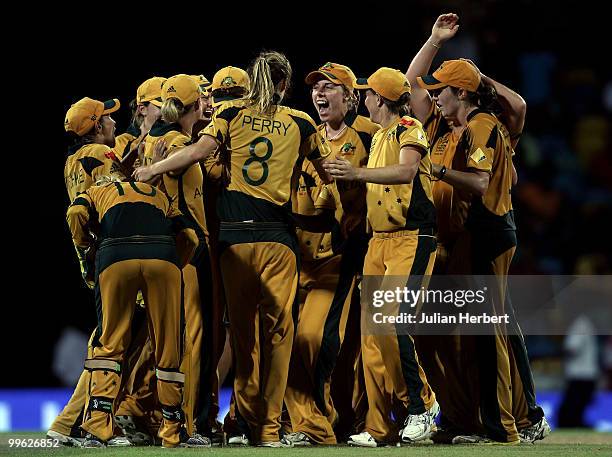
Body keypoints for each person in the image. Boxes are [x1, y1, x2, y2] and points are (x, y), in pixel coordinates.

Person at [134, 50, 331, 447]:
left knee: (242, 337)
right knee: (278, 337)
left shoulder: (230, 116)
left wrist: (153, 168)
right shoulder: (301, 121)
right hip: (278, 238)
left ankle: (242, 425)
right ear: (284, 84)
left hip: (234, 240)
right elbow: (328, 175)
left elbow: (196, 153)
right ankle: (269, 429)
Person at [406, 13, 548, 444]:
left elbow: (481, 180)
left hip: (483, 233)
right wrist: (433, 40)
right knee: (463, 332)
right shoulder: (443, 125)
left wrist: (437, 168)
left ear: (461, 93)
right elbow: (412, 81)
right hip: (453, 242)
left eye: (442, 90)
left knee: (490, 332)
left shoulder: (485, 125)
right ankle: (466, 415)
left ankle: (507, 423)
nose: (433, 96)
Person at [324, 67, 439, 447]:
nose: (365, 99)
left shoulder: (409, 126)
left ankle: (423, 407)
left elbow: (407, 172)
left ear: (381, 98)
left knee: (392, 323)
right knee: (372, 338)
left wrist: (357, 174)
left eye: (368, 94)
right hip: (380, 242)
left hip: (411, 238)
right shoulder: (380, 136)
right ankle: (379, 427)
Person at [283, 62, 378, 446]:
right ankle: (316, 423)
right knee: (296, 340)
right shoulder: (303, 135)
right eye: (316, 87)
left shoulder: (371, 136)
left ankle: (325, 426)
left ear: (351, 96)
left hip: (342, 258)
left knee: (323, 341)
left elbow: (394, 187)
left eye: (330, 86)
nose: (320, 93)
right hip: (296, 257)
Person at [66, 173, 198, 448]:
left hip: (116, 255)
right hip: (163, 258)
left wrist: (85, 249)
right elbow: (190, 237)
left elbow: (76, 211)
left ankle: (98, 428)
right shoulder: (157, 193)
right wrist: (175, 264)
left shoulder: (96, 191)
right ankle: (173, 430)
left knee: (110, 344)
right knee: (168, 346)